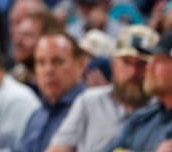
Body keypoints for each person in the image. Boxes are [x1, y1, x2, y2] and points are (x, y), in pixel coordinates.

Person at [46, 24, 159, 152]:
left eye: (142, 64)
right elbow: (58, 148)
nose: (133, 72)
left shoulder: (163, 108)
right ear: (113, 63)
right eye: (126, 62)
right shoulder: (90, 101)